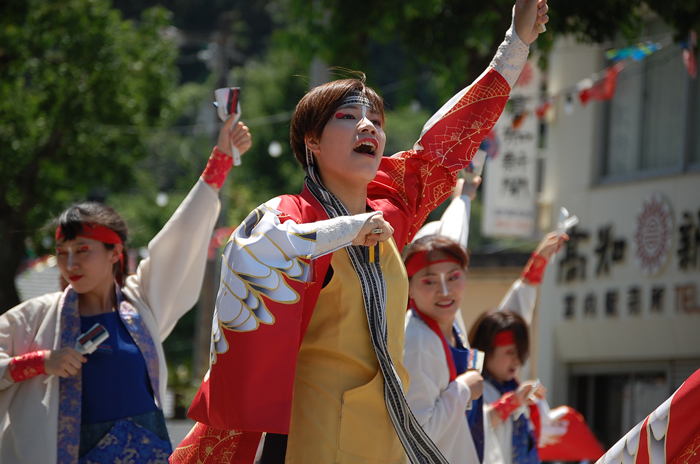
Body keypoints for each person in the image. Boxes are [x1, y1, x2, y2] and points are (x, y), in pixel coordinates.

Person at [173, 2, 549, 462]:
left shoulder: (391, 209)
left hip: (387, 434)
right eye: (348, 117)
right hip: (311, 432)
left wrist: (515, 46)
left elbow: (444, 148)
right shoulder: (290, 214)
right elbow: (256, 250)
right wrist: (346, 230)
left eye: (373, 119)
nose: (367, 124)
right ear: (311, 141)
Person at [0, 118, 251, 463]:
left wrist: (221, 157)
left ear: (115, 253)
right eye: (62, 254)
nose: (70, 263)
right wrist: (40, 362)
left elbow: (179, 236)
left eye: (83, 251)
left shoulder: (141, 303)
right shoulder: (36, 317)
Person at [402, 234, 484, 464]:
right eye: (429, 281)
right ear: (409, 288)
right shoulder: (418, 342)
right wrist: (463, 389)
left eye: (454, 277)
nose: (445, 291)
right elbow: (417, 436)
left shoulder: (452, 325)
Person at [469, 309, 545, 464]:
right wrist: (512, 402)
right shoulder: (472, 387)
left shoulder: (512, 388)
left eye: (520, 352)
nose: (517, 360)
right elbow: (471, 425)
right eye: (510, 352)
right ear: (487, 351)